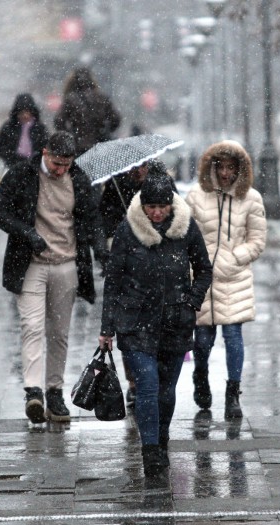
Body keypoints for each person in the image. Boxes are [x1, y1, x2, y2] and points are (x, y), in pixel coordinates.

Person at [98, 169, 212, 484]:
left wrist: (192, 301)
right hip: (135, 322)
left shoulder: (186, 228)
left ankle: (161, 439)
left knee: (166, 389)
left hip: (175, 321)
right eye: (151, 206)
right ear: (143, 205)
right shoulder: (126, 230)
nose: (157, 212)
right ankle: (150, 451)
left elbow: (203, 268)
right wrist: (107, 328)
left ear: (172, 205)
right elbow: (113, 282)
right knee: (146, 385)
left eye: (163, 206)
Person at [0, 131, 107, 424]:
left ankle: (55, 392)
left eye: (66, 164)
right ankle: (34, 391)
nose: (60, 170)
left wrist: (102, 252)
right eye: (56, 163)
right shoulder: (22, 175)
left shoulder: (79, 179)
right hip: (30, 264)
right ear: (45, 153)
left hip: (67, 264)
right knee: (31, 325)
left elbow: (92, 220)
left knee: (60, 333)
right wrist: (27, 233)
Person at [184, 140, 267, 420]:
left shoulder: (251, 199)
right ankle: (201, 374)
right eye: (221, 167)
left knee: (233, 336)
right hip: (202, 277)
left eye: (232, 168)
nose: (226, 174)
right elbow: (185, 233)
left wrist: (235, 257)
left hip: (234, 278)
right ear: (212, 166)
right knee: (203, 339)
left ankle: (233, 393)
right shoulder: (196, 196)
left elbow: (257, 240)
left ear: (240, 170)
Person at [97, 158, 175, 408]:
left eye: (142, 166)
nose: (137, 171)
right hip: (127, 262)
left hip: (157, 262)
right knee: (129, 329)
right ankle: (134, 383)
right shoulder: (116, 185)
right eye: (133, 167)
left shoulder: (162, 184)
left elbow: (174, 216)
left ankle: (153, 379)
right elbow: (104, 218)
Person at [54, 67, 121, 155]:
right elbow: (116, 119)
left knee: (79, 168)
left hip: (78, 145)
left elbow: (58, 121)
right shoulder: (101, 98)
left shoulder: (70, 99)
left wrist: (70, 135)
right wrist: (104, 131)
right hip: (100, 144)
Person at [0, 93, 49, 168]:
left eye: (27, 111)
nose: (25, 115)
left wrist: (36, 159)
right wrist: (12, 158)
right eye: (22, 112)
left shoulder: (40, 128)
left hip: (35, 168)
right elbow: (0, 147)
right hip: (12, 167)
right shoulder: (8, 127)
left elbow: (45, 147)